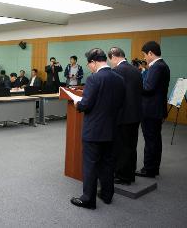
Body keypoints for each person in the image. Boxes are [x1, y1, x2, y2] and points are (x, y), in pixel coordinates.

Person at [70, 48, 125, 210]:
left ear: (94, 62)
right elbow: (120, 103)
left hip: (94, 130)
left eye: (89, 64)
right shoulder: (119, 78)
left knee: (91, 165)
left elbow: (86, 104)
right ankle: (107, 195)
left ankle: (88, 199)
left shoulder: (94, 79)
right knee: (108, 163)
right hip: (112, 129)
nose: (89, 68)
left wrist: (77, 103)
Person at [108, 47, 143, 185]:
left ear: (114, 57)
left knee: (121, 146)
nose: (111, 63)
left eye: (110, 60)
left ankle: (122, 176)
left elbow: (114, 95)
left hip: (122, 115)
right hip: (135, 114)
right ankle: (130, 173)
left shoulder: (116, 71)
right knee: (131, 145)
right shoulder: (136, 70)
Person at [135, 41, 170, 178]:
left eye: (144, 54)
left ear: (150, 53)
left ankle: (148, 169)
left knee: (150, 140)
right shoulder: (163, 65)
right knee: (155, 139)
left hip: (150, 110)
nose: (144, 58)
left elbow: (148, 88)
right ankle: (154, 168)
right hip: (157, 109)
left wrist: (135, 86)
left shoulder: (156, 67)